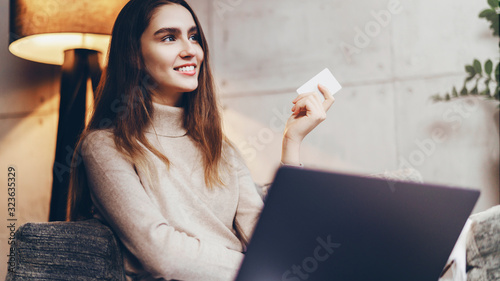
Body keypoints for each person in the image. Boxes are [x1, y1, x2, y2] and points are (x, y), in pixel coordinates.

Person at [66, 0, 335, 280]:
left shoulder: (219, 146)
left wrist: (292, 142)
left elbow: (275, 246)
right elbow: (163, 256)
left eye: (194, 37)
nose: (190, 50)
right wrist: (260, 267)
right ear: (134, 54)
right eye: (169, 37)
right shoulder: (105, 146)